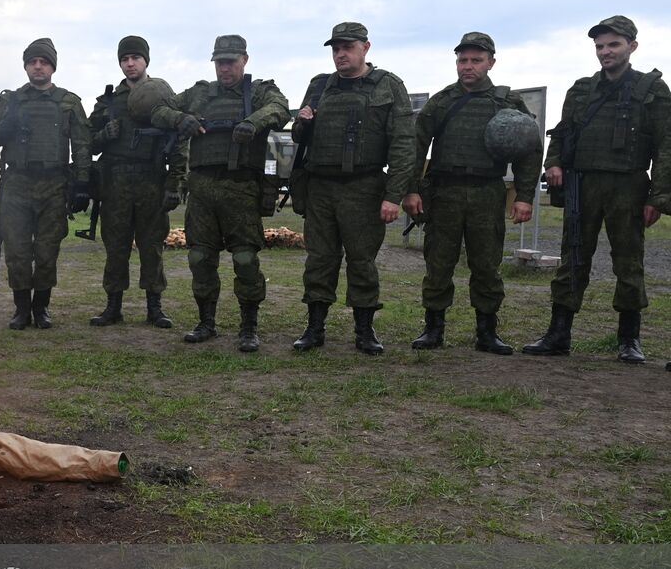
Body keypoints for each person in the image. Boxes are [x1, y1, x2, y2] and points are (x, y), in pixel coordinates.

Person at [523, 16, 671, 362]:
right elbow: (561, 133)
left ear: (631, 46)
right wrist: (554, 163)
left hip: (629, 185)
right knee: (573, 257)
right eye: (600, 46)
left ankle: (629, 339)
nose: (605, 52)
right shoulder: (581, 90)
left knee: (628, 261)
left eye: (613, 45)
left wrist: (659, 197)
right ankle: (558, 333)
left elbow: (666, 146)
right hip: (583, 183)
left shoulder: (652, 91)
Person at [149, 34, 291, 351]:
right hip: (201, 188)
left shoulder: (259, 91)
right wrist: (181, 119)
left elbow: (280, 108)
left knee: (244, 257)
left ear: (244, 60)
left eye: (231, 62)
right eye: (220, 63)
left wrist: (253, 123)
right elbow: (158, 110)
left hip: (240, 188)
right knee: (200, 256)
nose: (224, 69)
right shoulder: (200, 94)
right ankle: (206, 323)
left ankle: (249, 327)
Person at [404, 33, 541, 353]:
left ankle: (487, 332)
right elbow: (415, 145)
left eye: (476, 60)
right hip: (444, 193)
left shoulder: (507, 102)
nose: (468, 66)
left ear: (491, 62)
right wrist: (410, 190)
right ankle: (433, 329)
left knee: (486, 264)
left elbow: (529, 150)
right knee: (438, 263)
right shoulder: (442, 101)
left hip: (487, 193)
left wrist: (524, 195)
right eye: (462, 60)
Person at [289, 22, 417, 355]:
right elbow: (299, 137)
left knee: (362, 261)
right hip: (321, 187)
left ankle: (364, 331)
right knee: (320, 259)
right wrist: (302, 123)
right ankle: (314, 328)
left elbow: (403, 143)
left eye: (347, 47)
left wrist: (393, 194)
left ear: (366, 47)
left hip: (365, 186)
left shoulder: (387, 86)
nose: (341, 54)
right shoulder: (319, 86)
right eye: (336, 49)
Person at [0, 38, 91, 329]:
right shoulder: (11, 100)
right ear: (26, 66)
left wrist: (82, 184)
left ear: (52, 66)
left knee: (46, 251)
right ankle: (21, 309)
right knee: (17, 251)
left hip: (54, 185)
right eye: (33, 62)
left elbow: (82, 145)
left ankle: (41, 307)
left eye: (43, 62)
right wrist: (7, 126)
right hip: (17, 184)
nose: (38, 66)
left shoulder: (69, 102)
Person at [85, 36, 184, 328]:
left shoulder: (163, 99)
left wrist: (174, 185)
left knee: (151, 246)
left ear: (146, 61)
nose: (130, 63)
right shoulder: (107, 103)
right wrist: (106, 135)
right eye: (124, 59)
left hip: (151, 180)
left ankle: (155, 307)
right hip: (115, 184)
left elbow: (179, 143)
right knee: (115, 246)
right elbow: (87, 143)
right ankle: (113, 306)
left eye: (135, 58)